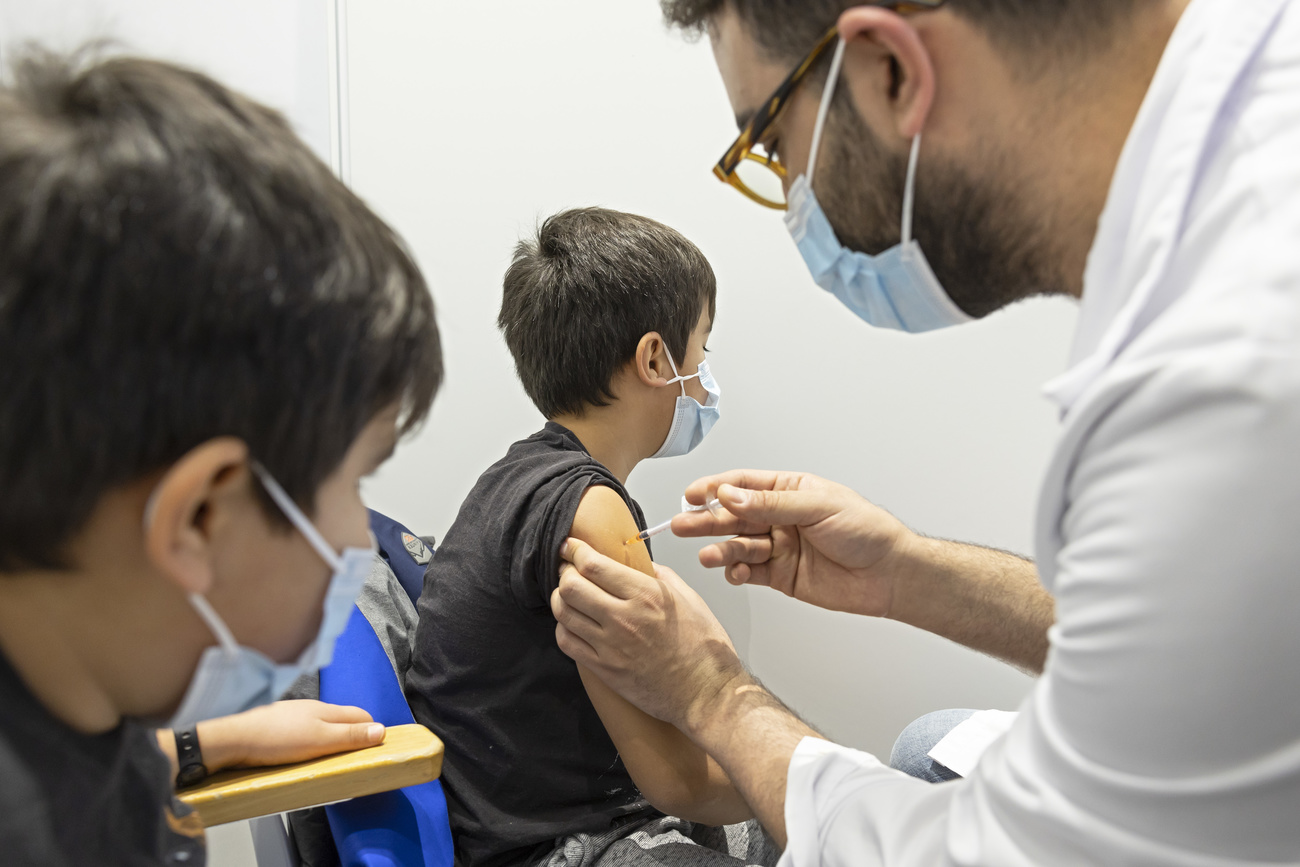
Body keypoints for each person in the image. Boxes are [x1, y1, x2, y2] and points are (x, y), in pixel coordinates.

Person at [549, 0, 1300, 864]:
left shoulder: (1226, 367)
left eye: (773, 142)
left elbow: (1012, 851)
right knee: (928, 742)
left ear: (891, 71)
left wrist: (711, 692)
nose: (793, 197)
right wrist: (907, 570)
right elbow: (1169, 643)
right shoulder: (1232, 156)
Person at [0, 49, 443, 866]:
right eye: (350, 481)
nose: (356, 541)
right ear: (199, 514)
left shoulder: (88, 710)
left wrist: (218, 741)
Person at [406, 208, 775, 867]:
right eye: (702, 349)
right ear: (657, 358)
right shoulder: (593, 512)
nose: (707, 376)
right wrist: (814, 778)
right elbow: (677, 780)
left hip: (520, 827)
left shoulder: (515, 475)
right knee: (816, 817)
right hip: (558, 849)